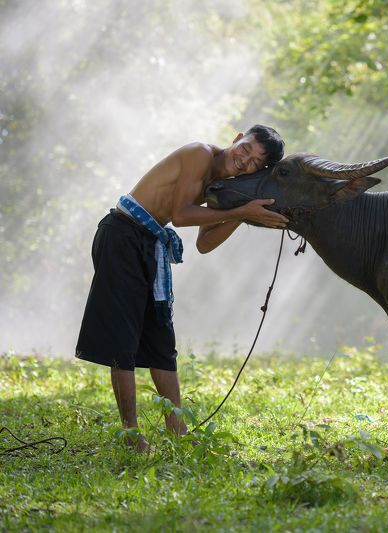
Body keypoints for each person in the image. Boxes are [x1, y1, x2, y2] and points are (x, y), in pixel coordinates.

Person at [75, 125, 289, 451]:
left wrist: (244, 214)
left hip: (150, 243)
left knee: (161, 340)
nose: (245, 161)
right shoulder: (199, 153)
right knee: (123, 339)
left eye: (255, 163)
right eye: (246, 149)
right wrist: (242, 210)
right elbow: (180, 215)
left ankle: (178, 432)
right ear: (237, 139)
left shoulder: (224, 185)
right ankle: (131, 435)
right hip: (122, 234)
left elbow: (205, 243)